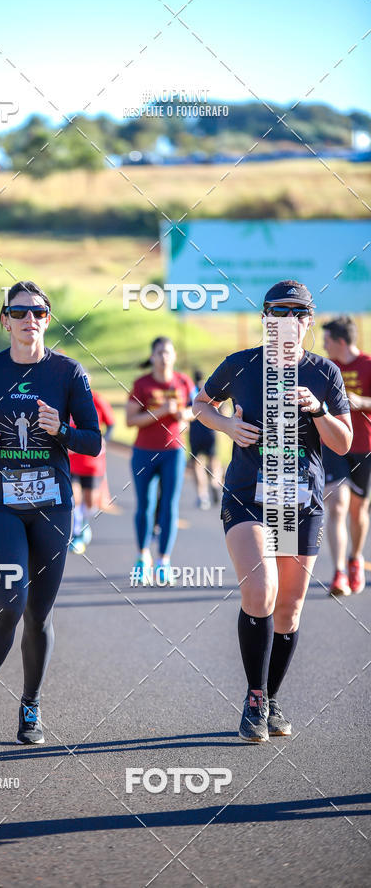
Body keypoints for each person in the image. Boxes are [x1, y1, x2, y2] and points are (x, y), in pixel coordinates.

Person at [0, 280, 101, 746]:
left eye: (39, 312)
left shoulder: (68, 373)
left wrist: (63, 432)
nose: (30, 319)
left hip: (52, 506)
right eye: (19, 312)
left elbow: (93, 439)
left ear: (48, 320)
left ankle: (30, 704)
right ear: (5, 321)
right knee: (9, 601)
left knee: (39, 613)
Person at [193, 280, 352, 742]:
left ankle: (271, 696)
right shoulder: (241, 364)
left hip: (300, 500)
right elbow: (200, 405)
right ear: (266, 319)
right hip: (249, 494)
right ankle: (255, 700)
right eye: (279, 314)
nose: (289, 322)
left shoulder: (323, 373)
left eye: (299, 315)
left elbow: (344, 442)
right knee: (261, 591)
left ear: (309, 322)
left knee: (289, 609)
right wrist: (227, 424)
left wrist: (319, 411)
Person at [126, 337, 194, 586]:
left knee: (169, 505)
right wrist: (161, 410)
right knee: (145, 504)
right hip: (144, 451)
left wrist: (182, 414)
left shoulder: (183, 381)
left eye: (168, 352)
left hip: (173, 451)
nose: (164, 356)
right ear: (152, 357)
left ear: (174, 355)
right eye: (159, 352)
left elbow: (194, 410)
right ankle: (142, 558)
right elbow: (130, 420)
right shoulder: (142, 384)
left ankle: (164, 561)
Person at [321, 316, 371, 596]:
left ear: (340, 341)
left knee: (357, 510)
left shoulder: (367, 365)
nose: (324, 345)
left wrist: (361, 402)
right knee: (337, 505)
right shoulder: (327, 369)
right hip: (335, 446)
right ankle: (338, 573)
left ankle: (355, 559)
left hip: (365, 446)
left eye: (327, 340)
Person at [69, 377, 115, 554]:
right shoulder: (68, 401)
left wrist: (104, 440)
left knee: (89, 501)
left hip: (93, 462)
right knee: (74, 497)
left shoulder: (98, 400)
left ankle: (84, 524)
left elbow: (111, 424)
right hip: (72, 460)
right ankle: (77, 532)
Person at [189, 369, 223, 510]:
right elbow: (223, 411)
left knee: (197, 463)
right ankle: (215, 483)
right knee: (213, 460)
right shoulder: (211, 390)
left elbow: (188, 412)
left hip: (195, 431)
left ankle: (202, 496)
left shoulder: (191, 392)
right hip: (210, 430)